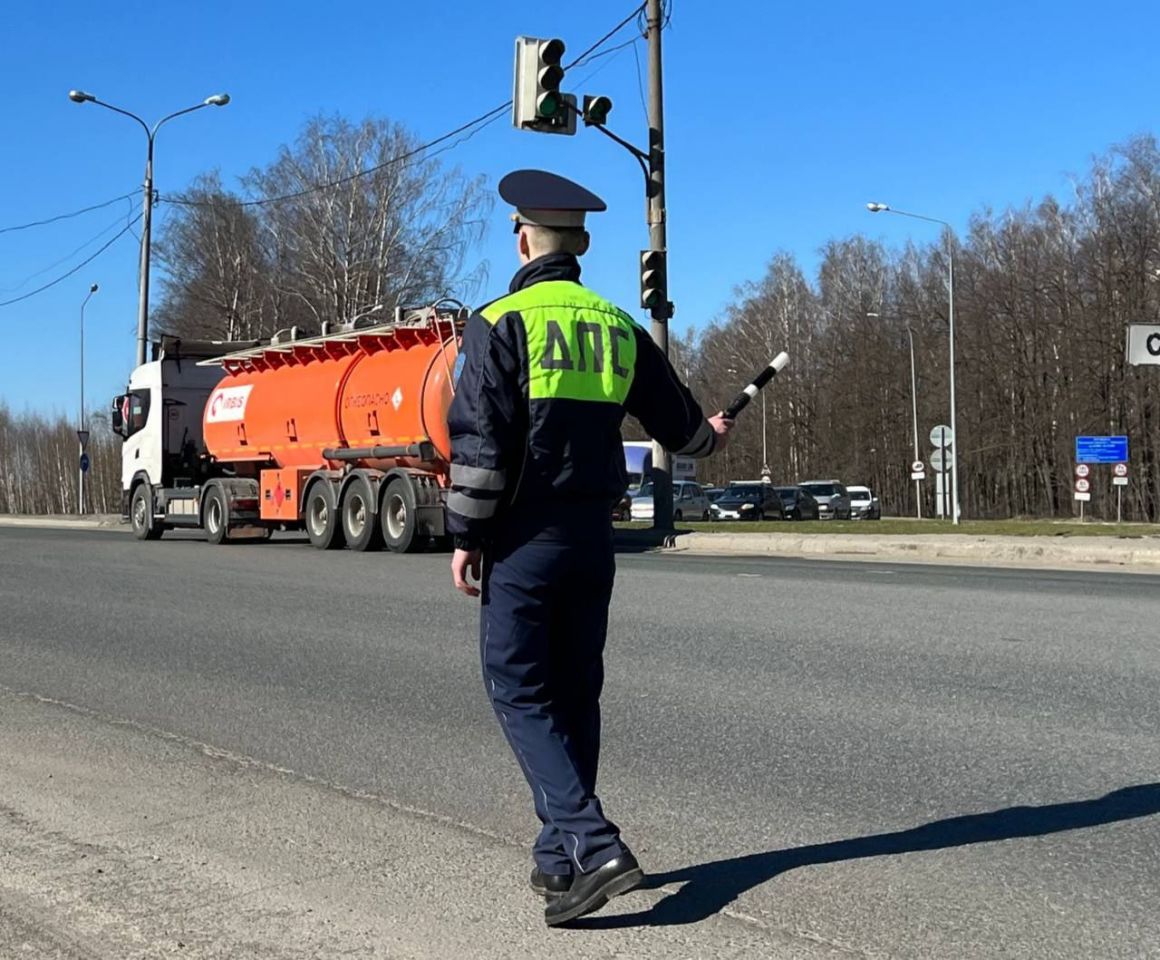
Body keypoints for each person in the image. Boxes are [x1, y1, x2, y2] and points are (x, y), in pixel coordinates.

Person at [446, 169, 732, 926]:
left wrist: (468, 535)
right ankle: (557, 862)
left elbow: (482, 442)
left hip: (525, 536)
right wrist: (708, 436)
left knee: (516, 687)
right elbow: (682, 426)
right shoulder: (613, 324)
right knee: (575, 691)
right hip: (593, 540)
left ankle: (594, 843)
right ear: (581, 244)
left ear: (522, 237)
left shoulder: (499, 321)